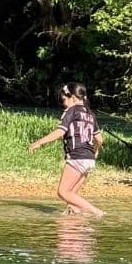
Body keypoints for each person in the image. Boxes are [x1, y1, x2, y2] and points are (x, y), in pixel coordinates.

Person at [28, 82, 105, 217]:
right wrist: (96, 150)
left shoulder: (71, 110)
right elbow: (99, 139)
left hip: (77, 157)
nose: (63, 103)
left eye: (64, 100)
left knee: (63, 192)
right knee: (72, 195)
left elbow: (60, 131)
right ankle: (72, 221)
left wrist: (39, 142)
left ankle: (96, 212)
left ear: (73, 98)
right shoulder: (90, 114)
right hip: (89, 159)